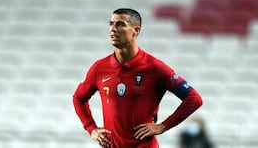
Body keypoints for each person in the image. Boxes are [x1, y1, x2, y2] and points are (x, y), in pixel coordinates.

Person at [72, 8, 203, 148]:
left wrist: (163, 126)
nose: (113, 29)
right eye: (111, 24)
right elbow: (78, 98)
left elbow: (194, 99)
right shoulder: (99, 68)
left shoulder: (154, 67)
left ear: (136, 30)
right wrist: (91, 128)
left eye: (120, 24)